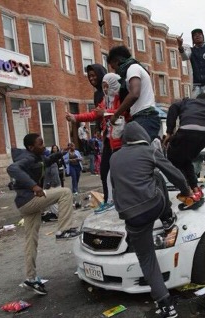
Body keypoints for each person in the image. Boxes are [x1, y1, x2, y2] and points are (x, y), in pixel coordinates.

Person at [110, 122, 193, 318]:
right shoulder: (149, 150)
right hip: (152, 205)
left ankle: (166, 306)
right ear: (142, 136)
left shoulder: (114, 157)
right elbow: (174, 173)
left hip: (130, 216)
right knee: (157, 176)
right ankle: (166, 218)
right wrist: (187, 191)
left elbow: (115, 186)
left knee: (147, 260)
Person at [7, 133, 81, 295]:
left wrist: (63, 152)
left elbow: (47, 161)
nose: (44, 146)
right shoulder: (27, 158)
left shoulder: (37, 157)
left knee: (30, 241)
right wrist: (34, 186)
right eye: (40, 143)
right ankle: (63, 230)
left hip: (26, 204)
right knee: (65, 192)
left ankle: (31, 278)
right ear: (31, 147)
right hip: (29, 200)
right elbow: (12, 168)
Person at [66, 73, 128, 213]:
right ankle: (108, 200)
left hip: (120, 142)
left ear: (113, 85)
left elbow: (124, 113)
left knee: (118, 173)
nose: (105, 90)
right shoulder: (105, 100)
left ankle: (120, 199)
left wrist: (105, 112)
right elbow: (94, 114)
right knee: (104, 172)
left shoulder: (121, 98)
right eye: (103, 87)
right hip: (108, 141)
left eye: (107, 86)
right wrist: (75, 117)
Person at [107, 45, 161, 140]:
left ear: (117, 61)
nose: (115, 72)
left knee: (141, 152)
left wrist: (116, 114)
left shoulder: (133, 68)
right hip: (142, 117)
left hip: (145, 117)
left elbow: (134, 93)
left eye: (114, 67)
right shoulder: (135, 68)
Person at [177, 29, 205, 102]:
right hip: (196, 84)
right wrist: (180, 46)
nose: (197, 36)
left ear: (203, 36)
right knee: (196, 105)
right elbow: (184, 57)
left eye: (199, 34)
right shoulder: (191, 51)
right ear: (193, 39)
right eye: (194, 35)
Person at [41, 146, 63, 223]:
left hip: (53, 185)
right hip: (52, 184)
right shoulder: (49, 164)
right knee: (52, 202)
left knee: (52, 202)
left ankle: (58, 215)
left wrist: (49, 185)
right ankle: (55, 214)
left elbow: (54, 175)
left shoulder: (52, 164)